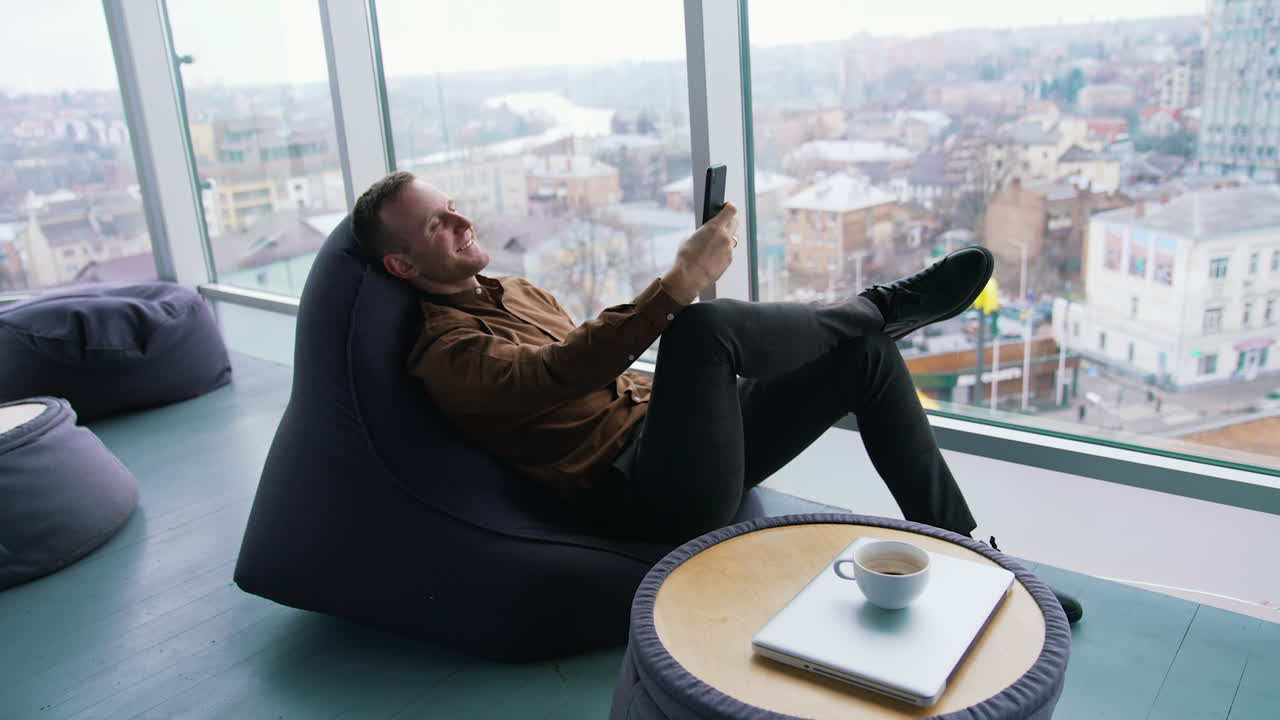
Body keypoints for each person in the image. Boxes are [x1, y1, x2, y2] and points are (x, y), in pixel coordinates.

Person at [351, 171, 1082, 623]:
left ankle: (977, 560)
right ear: (401, 262)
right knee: (699, 325)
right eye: (436, 224)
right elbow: (558, 375)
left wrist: (722, 400)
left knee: (864, 355)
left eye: (453, 207)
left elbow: (605, 375)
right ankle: (878, 303)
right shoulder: (444, 355)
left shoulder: (512, 287)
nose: (460, 222)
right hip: (645, 495)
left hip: (675, 445)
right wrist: (676, 286)